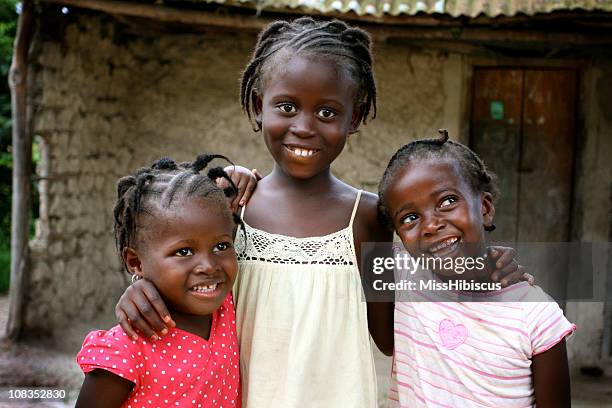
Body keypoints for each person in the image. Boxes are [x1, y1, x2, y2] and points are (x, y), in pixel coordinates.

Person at [114, 18, 529, 407]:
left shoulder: (368, 218)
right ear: (259, 106)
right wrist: (141, 288)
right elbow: (185, 277)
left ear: (355, 117)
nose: (305, 126)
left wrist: (477, 273)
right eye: (287, 107)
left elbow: (389, 335)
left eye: (327, 112)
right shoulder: (228, 208)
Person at [378, 130, 575, 407]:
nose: (431, 225)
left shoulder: (537, 315)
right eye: (410, 218)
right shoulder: (402, 279)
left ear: (484, 208)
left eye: (447, 201)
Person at [75, 155, 242, 408]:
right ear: (136, 262)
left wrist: (244, 176)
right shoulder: (127, 348)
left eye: (221, 246)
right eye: (184, 252)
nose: (209, 266)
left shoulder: (229, 308)